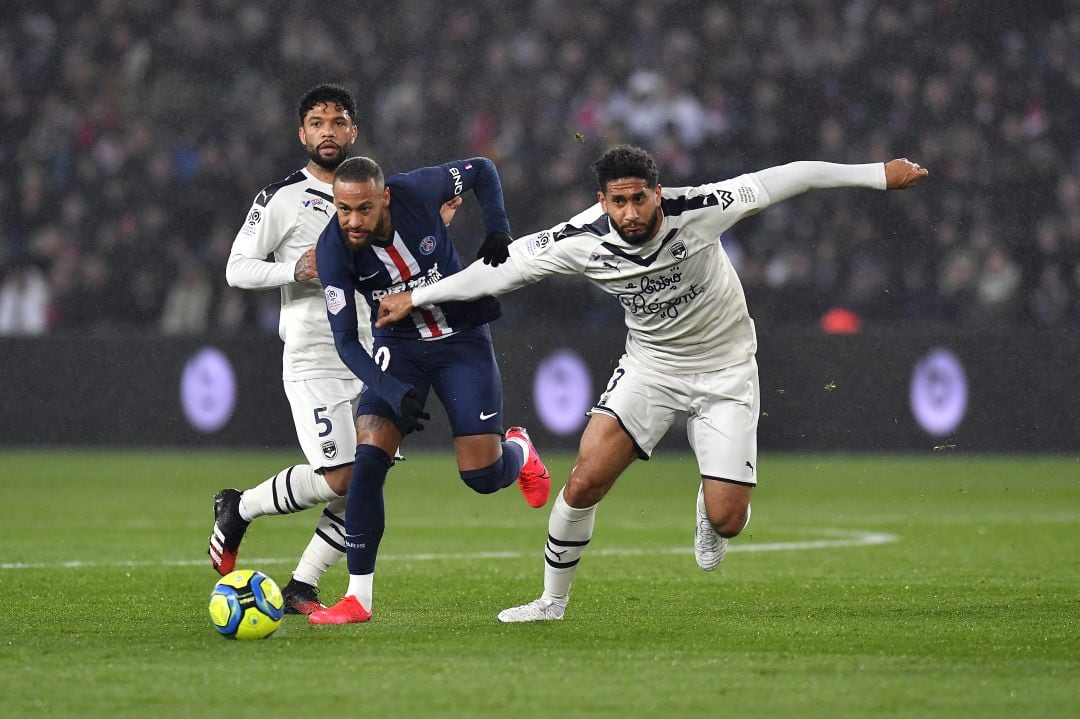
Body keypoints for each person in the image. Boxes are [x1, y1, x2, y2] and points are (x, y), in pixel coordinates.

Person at [376, 144, 929, 622]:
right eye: (618, 200)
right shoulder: (580, 239)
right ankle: (550, 601)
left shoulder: (701, 209)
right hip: (651, 368)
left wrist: (878, 174)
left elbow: (791, 176)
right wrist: (418, 297)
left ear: (659, 194)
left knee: (728, 520)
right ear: (602, 202)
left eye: (640, 198)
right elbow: (501, 268)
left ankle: (710, 510)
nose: (631, 210)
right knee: (587, 477)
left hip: (726, 369)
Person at [206, 84, 465, 614]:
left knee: (368, 474)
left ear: (354, 132)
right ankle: (240, 507)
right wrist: (294, 268)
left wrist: (432, 231)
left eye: (338, 122)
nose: (328, 131)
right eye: (317, 123)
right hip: (315, 355)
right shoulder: (280, 198)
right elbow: (236, 268)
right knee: (344, 475)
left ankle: (304, 582)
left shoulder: (378, 195)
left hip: (378, 350)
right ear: (302, 134)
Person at [306, 155, 552, 625]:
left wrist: (498, 227)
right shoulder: (334, 250)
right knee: (368, 461)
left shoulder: (419, 190)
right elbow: (344, 340)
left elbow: (482, 169)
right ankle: (358, 598)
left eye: (362, 209)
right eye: (342, 210)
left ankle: (518, 450)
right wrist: (389, 388)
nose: (352, 221)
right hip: (398, 347)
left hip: (462, 339)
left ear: (385, 197)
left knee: (481, 477)